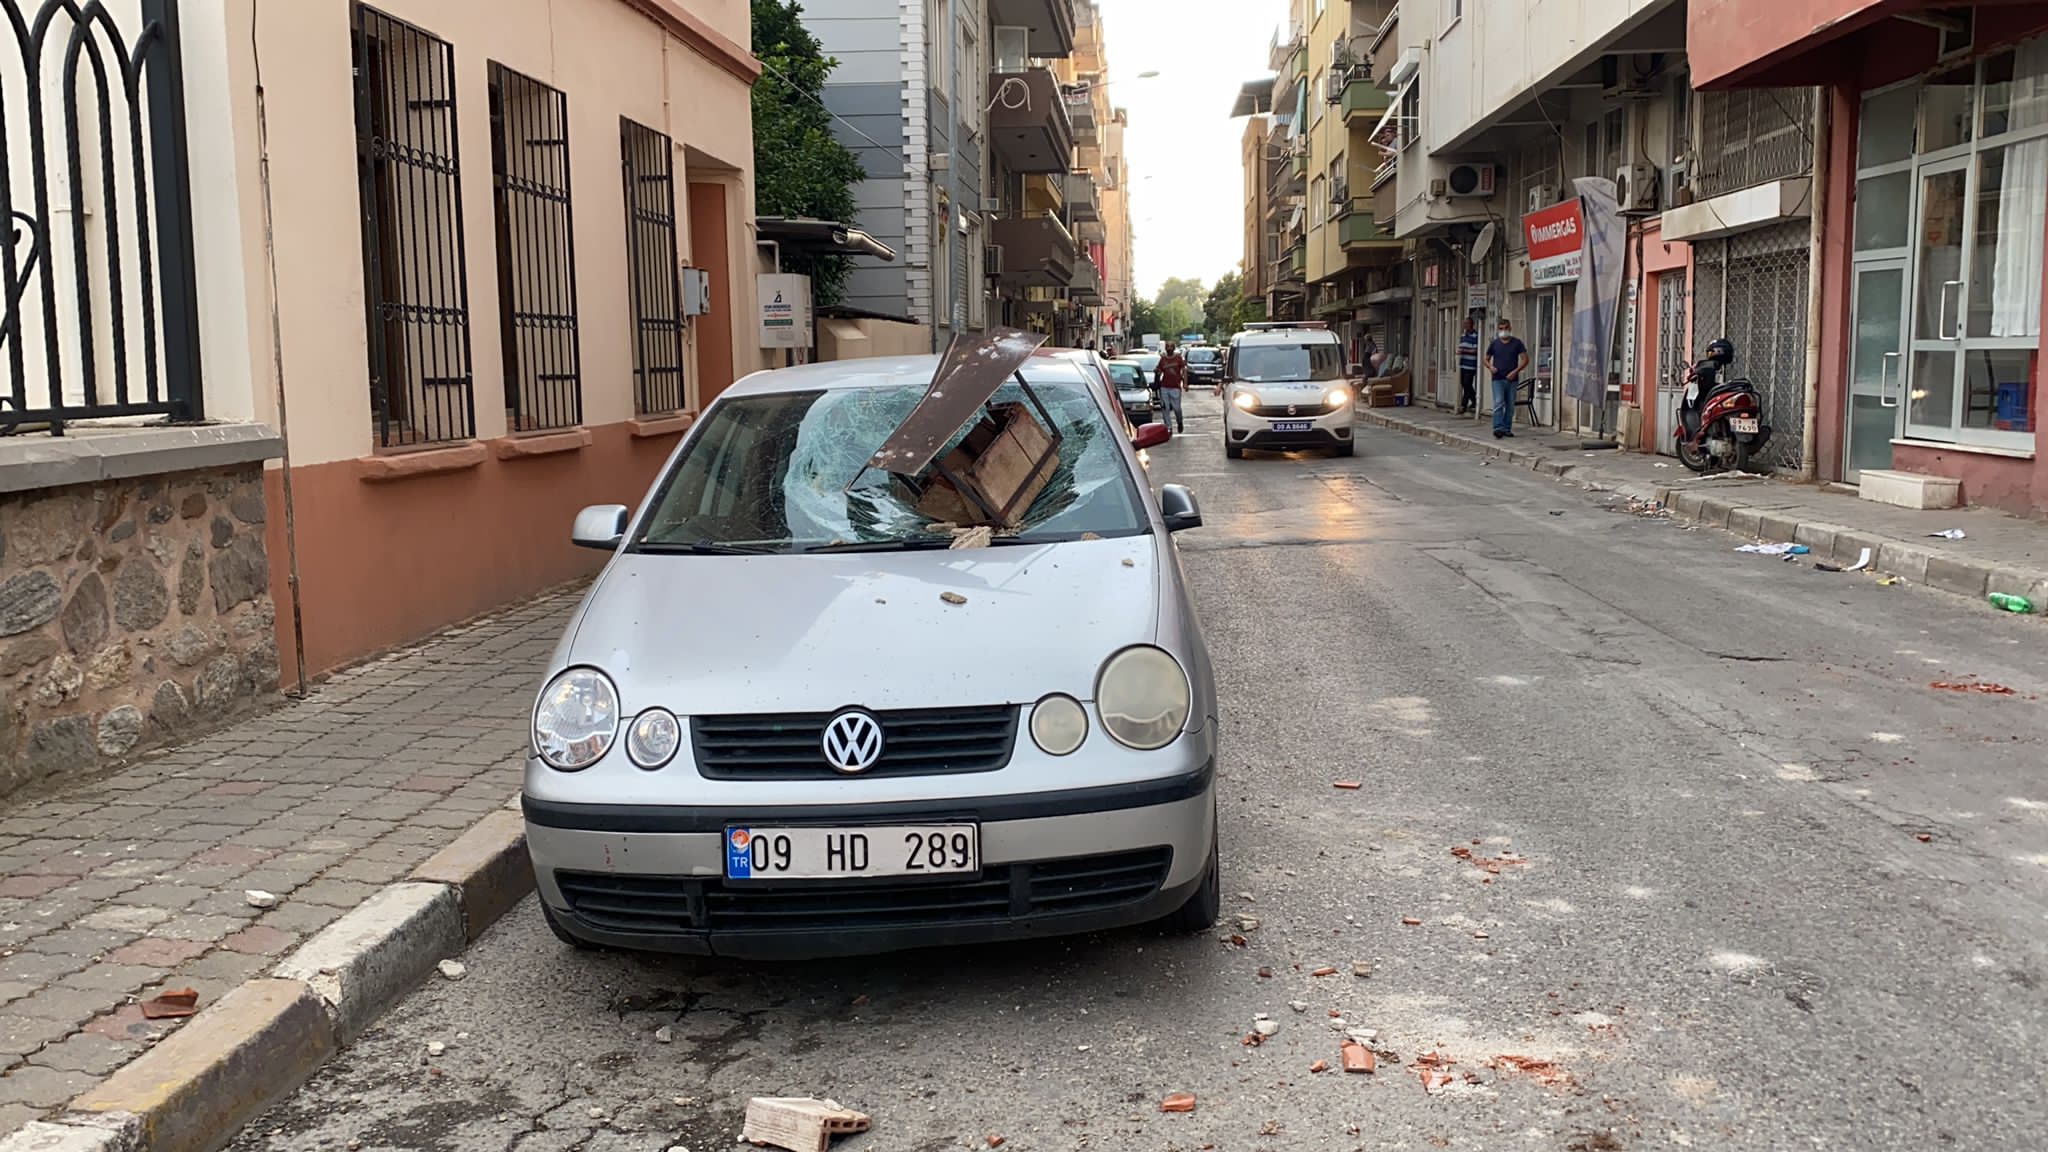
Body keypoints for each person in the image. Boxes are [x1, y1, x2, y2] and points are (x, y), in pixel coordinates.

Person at [1486, 318, 1529, 439]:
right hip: (1497, 378)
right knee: (1499, 402)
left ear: (1510, 329)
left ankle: (1506, 428)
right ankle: (1498, 428)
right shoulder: (1494, 344)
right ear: (1498, 330)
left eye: (1506, 328)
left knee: (1510, 405)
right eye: (1501, 329)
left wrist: (1516, 371)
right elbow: (1486, 359)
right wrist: (1490, 367)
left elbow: (1525, 359)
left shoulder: (1517, 343)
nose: (1503, 331)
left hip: (1512, 378)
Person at [1156, 341, 1188, 433]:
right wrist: (1157, 371)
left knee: (1177, 408)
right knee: (1165, 407)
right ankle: (1168, 427)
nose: (1169, 348)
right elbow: (1159, 370)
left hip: (1175, 387)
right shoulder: (1163, 359)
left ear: (1174, 348)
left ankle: (1179, 421)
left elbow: (1184, 370)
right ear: (1165, 348)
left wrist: (1185, 383)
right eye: (1168, 347)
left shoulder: (1178, 358)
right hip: (1164, 387)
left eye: (1171, 346)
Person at [1457, 317, 1480, 415]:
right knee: (1464, 384)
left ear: (1471, 324)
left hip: (1471, 364)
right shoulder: (1463, 335)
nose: (1465, 325)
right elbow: (1461, 347)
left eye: (1467, 324)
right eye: (1464, 323)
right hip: (1463, 363)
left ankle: (1464, 405)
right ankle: (1474, 400)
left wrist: (1464, 351)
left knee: (1467, 383)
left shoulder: (1476, 336)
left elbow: (1475, 350)